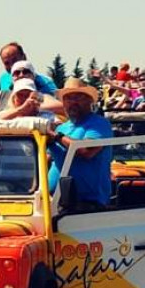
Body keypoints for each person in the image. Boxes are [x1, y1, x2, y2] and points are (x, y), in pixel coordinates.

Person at [46, 77, 113, 211]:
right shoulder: (61, 128)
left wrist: (56, 137)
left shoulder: (99, 124)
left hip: (87, 205)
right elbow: (47, 159)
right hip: (54, 202)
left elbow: (86, 151)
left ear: (89, 100)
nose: (73, 102)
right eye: (68, 98)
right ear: (63, 103)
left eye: (78, 97)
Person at [0, 60, 64, 118]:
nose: (21, 75)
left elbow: (61, 107)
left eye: (26, 72)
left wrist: (33, 106)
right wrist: (22, 108)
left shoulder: (41, 96)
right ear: (12, 78)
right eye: (16, 73)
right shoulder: (1, 95)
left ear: (33, 76)